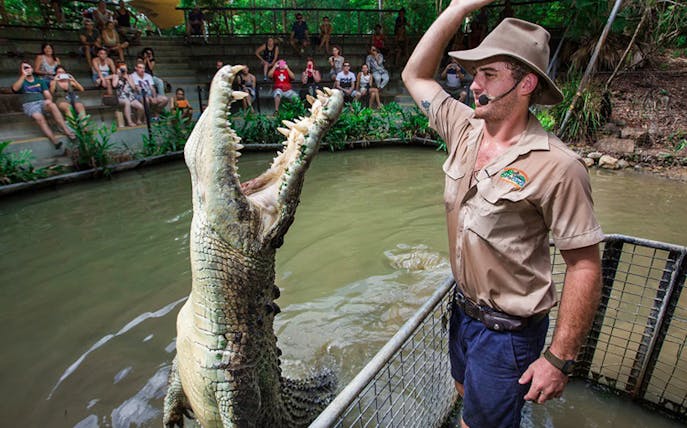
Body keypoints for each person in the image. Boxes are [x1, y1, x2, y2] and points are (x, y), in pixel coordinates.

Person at [402, 2, 604, 427]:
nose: (474, 85)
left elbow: (584, 265)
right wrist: (458, 8)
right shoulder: (463, 128)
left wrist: (559, 358)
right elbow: (415, 75)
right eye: (476, 73)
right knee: (465, 400)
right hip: (462, 313)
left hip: (508, 333)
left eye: (489, 74)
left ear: (526, 83)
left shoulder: (559, 167)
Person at [12, 61, 75, 148]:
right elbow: (15, 88)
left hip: (41, 102)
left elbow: (48, 95)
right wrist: (23, 75)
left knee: (51, 104)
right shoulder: (21, 81)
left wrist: (48, 102)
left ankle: (66, 130)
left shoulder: (40, 81)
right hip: (29, 105)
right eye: (25, 68)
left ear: (32, 69)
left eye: (28, 67)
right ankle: (55, 141)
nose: (27, 70)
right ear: (21, 70)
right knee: (39, 118)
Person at [114, 61, 144, 126]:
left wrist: (127, 78)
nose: (124, 70)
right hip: (120, 97)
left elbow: (133, 88)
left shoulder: (130, 76)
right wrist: (118, 76)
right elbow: (114, 85)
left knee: (141, 107)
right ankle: (129, 122)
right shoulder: (115, 76)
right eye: (122, 69)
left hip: (130, 96)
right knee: (127, 102)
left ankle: (138, 120)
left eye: (125, 69)